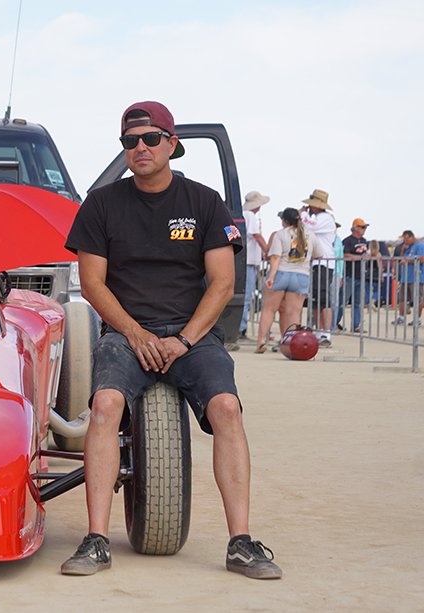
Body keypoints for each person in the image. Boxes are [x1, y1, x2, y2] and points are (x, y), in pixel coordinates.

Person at [62, 101, 281, 580]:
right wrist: (135, 333)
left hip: (193, 334)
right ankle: (96, 539)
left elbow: (222, 283)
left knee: (226, 408)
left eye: (151, 139)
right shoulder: (101, 204)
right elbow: (94, 284)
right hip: (126, 333)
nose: (140, 148)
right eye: (129, 141)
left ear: (172, 144)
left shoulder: (204, 202)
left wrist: (183, 339)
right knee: (103, 406)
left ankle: (241, 542)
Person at [255, 208, 325, 353]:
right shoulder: (310, 235)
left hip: (281, 272)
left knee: (269, 309)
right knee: (293, 312)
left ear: (285, 221)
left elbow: (275, 257)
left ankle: (261, 341)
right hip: (301, 275)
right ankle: (293, 343)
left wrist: (272, 276)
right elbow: (319, 255)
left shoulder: (281, 234)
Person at [300, 189, 337, 345]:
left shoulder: (326, 218)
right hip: (316, 262)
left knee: (324, 298)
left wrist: (302, 214)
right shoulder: (319, 218)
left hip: (324, 262)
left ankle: (326, 332)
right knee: (316, 299)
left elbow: (310, 227)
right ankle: (318, 329)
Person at [239, 191, 269, 339]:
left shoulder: (242, 214)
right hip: (249, 262)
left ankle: (240, 326)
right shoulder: (250, 216)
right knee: (246, 296)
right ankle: (241, 328)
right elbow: (256, 236)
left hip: (244, 260)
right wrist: (268, 251)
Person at [338, 218, 371, 333]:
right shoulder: (347, 241)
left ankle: (356, 325)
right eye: (362, 227)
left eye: (365, 227)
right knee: (343, 301)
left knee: (358, 303)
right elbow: (345, 255)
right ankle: (335, 322)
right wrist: (359, 257)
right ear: (355, 228)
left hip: (361, 276)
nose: (364, 229)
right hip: (349, 275)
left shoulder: (364, 240)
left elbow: (365, 254)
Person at [394, 230, 424, 325]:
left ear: (412, 237)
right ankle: (401, 317)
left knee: (417, 299)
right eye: (404, 239)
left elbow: (422, 259)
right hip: (405, 277)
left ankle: (417, 319)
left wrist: (408, 261)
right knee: (402, 298)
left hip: (416, 277)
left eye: (406, 239)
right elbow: (403, 257)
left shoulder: (420, 246)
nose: (405, 242)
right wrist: (403, 249)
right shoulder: (408, 247)